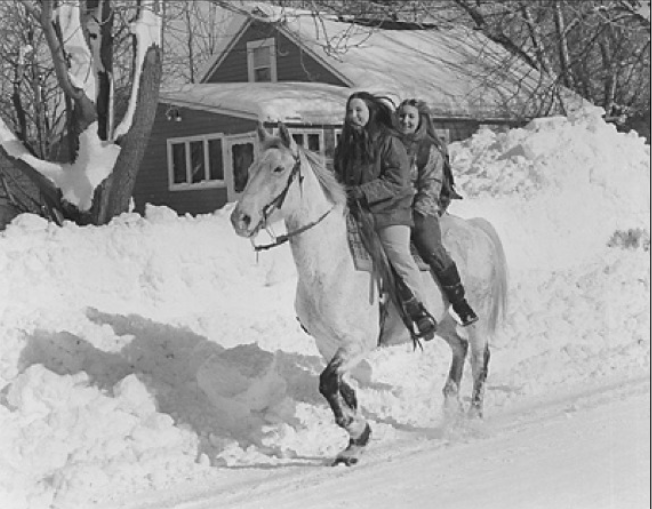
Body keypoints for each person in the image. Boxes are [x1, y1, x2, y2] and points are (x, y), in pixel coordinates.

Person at [333, 91, 436, 339]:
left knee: (397, 253)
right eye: (350, 111)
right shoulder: (346, 145)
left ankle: (421, 310)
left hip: (391, 211)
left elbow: (396, 182)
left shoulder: (389, 141)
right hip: (358, 211)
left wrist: (360, 192)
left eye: (359, 110)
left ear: (371, 112)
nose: (353, 116)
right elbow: (338, 175)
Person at [396, 99, 478, 326]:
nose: (406, 121)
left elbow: (432, 184)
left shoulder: (428, 149)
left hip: (422, 208)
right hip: (393, 208)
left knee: (429, 244)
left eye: (411, 116)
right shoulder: (390, 143)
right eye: (402, 116)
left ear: (420, 120)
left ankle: (460, 302)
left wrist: (418, 211)